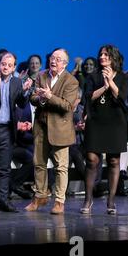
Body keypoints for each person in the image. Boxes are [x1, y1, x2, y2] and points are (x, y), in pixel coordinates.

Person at [25, 48, 79, 214]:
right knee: (39, 164)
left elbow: (67, 106)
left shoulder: (71, 81)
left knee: (60, 167)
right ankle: (40, 196)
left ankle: (59, 201)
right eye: (52, 58)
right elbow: (33, 98)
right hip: (41, 127)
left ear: (64, 63)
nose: (53, 61)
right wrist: (41, 98)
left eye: (58, 58)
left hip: (60, 129)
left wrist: (49, 96)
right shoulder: (42, 76)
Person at [0, 51, 33, 212]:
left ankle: (4, 201)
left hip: (7, 130)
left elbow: (22, 103)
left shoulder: (17, 82)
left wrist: (24, 91)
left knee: (4, 168)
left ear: (14, 68)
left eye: (10, 65)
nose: (6, 67)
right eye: (4, 64)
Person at [80, 45, 128, 215]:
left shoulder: (123, 77)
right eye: (100, 54)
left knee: (114, 161)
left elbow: (121, 97)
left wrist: (111, 82)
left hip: (116, 123)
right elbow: (88, 97)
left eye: (106, 54)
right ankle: (88, 199)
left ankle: (111, 201)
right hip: (96, 121)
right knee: (92, 159)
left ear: (113, 57)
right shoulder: (93, 76)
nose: (102, 57)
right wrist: (104, 86)